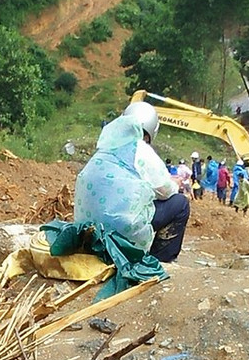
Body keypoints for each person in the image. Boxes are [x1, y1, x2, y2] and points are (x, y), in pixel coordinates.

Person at [74, 101, 189, 263]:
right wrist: (175, 183)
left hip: (88, 233)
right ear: (152, 130)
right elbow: (165, 190)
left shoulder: (105, 149)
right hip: (122, 231)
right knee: (180, 203)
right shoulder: (141, 149)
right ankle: (160, 261)